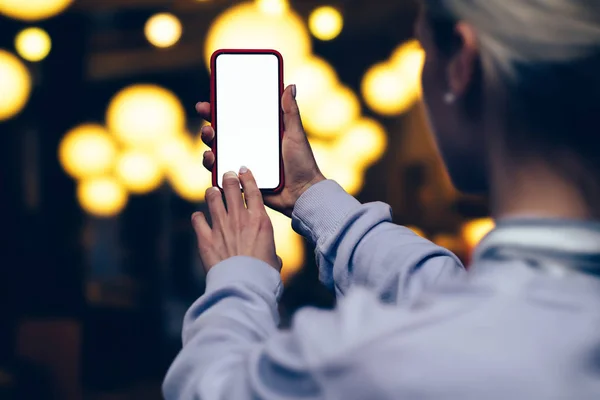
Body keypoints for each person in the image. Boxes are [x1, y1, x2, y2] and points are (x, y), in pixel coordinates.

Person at [163, 0, 600, 398]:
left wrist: (240, 279)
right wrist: (310, 193)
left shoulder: (377, 358)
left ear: (460, 64)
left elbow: (212, 389)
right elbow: (439, 285)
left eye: (423, 51)